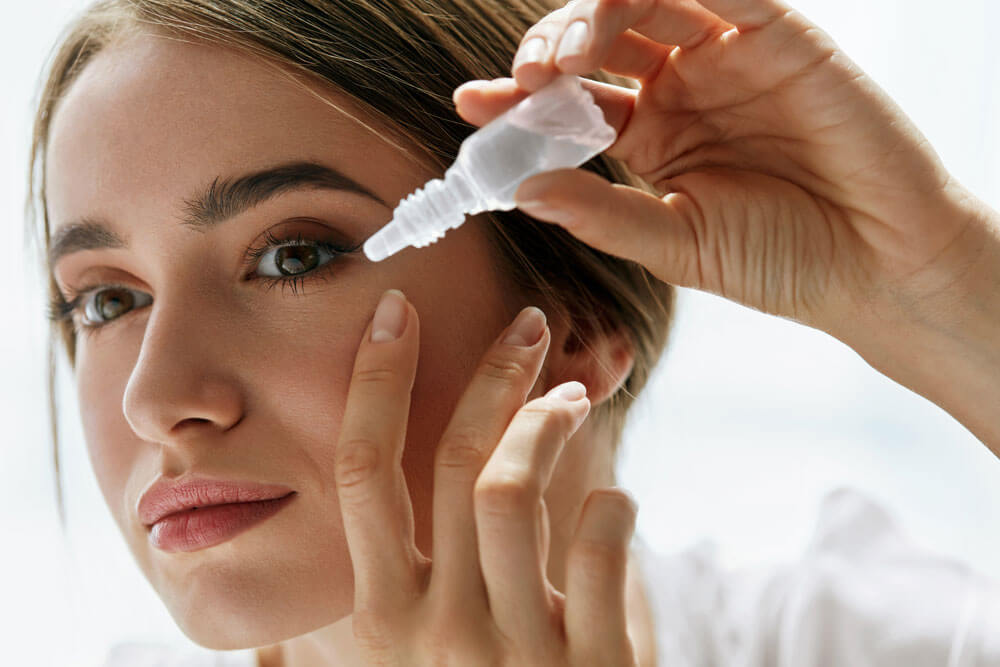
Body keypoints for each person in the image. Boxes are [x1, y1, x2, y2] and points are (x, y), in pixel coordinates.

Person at [25, 0, 999, 666]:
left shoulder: (862, 643)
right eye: (107, 300)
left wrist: (939, 275)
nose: (151, 399)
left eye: (291, 257)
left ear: (576, 322)